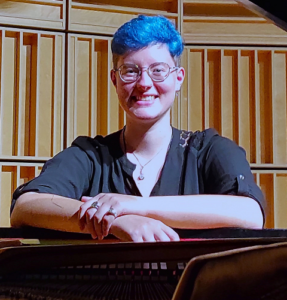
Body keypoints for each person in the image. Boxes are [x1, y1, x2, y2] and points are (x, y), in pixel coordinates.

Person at [10, 15, 265, 242]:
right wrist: (116, 220)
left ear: (178, 79)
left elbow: (250, 213)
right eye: (130, 71)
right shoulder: (89, 155)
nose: (144, 83)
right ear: (115, 80)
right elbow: (26, 205)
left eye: (158, 71)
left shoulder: (209, 149)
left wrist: (136, 206)